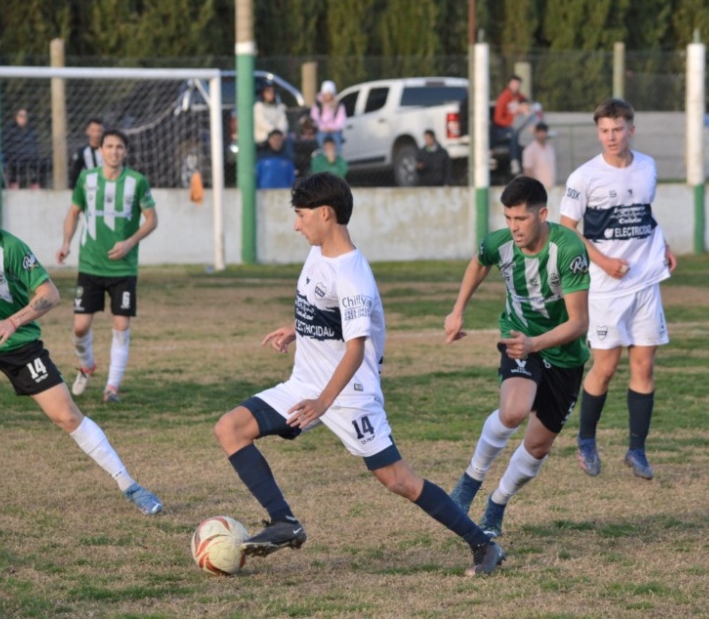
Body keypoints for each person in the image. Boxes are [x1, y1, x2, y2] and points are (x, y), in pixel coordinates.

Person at [213, 173, 505, 576]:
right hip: (307, 383)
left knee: (398, 480)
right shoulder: (319, 253)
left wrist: (323, 403)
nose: (296, 224)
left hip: (349, 394)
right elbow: (324, 311)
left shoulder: (352, 277)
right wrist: (297, 329)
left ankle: (483, 545)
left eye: (300, 215)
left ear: (325, 214)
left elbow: (356, 348)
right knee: (231, 428)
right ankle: (285, 523)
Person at [0, 180, 163, 522]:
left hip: (20, 346)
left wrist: (13, 322)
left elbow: (49, 294)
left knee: (67, 416)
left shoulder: (11, 249)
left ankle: (131, 486)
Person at [445, 176, 590, 538]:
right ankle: (470, 480)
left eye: (521, 219)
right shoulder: (501, 242)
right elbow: (479, 262)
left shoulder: (569, 249)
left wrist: (535, 344)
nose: (513, 227)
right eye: (508, 218)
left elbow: (579, 322)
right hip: (518, 336)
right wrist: (458, 310)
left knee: (538, 445)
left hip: (564, 353)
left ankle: (497, 503)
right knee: (513, 410)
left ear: (542, 214)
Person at [559, 98, 677, 481]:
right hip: (607, 288)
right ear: (599, 132)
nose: (611, 137)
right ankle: (587, 440)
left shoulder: (648, 167)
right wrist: (604, 261)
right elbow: (566, 230)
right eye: (604, 130)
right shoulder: (584, 177)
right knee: (606, 368)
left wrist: (665, 247)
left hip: (645, 283)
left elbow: (644, 215)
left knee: (644, 365)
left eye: (618, 129)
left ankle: (637, 450)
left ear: (631, 129)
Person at [56, 129, 158, 404]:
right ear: (100, 150)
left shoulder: (136, 182)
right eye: (109, 146)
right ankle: (87, 365)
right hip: (90, 264)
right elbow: (74, 212)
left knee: (121, 324)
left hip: (123, 269)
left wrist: (130, 242)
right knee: (80, 327)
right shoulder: (86, 180)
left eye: (119, 147)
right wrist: (66, 242)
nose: (114, 151)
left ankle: (112, 387)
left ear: (125, 151)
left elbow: (151, 219)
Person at [493, 75, 532, 175]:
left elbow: (529, 111)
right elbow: (498, 119)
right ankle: (514, 161)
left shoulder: (522, 98)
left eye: (518, 84)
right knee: (513, 134)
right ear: (509, 84)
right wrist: (510, 124)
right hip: (505, 129)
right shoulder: (503, 98)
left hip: (521, 129)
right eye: (514, 83)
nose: (516, 86)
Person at [2, 108, 42, 189]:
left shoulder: (31, 130)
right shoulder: (10, 130)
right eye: (20, 115)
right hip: (15, 156)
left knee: (37, 163)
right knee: (13, 163)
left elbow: (34, 146)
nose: (23, 118)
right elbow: (7, 146)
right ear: (16, 117)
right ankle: (13, 184)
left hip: (28, 156)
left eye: (25, 116)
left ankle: (34, 184)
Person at [310, 80, 346, 154]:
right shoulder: (317, 105)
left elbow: (341, 120)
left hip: (335, 130)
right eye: (327, 94)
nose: (328, 97)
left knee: (337, 142)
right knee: (321, 141)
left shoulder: (339, 106)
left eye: (330, 94)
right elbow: (315, 118)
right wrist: (323, 127)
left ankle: (337, 159)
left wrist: (334, 128)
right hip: (322, 130)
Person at [68, 118, 104, 189]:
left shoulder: (108, 151)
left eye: (99, 131)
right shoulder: (81, 153)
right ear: (87, 131)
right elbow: (75, 174)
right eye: (93, 131)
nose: (96, 134)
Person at [254, 84, 290, 152]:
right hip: (263, 137)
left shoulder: (280, 107)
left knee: (289, 140)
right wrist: (274, 133)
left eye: (273, 92)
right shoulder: (258, 107)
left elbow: (283, 122)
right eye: (268, 92)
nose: (271, 94)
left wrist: (279, 133)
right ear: (263, 94)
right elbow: (262, 122)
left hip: (280, 136)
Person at [521, 122, 557, 188]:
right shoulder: (530, 150)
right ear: (535, 133)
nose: (542, 134)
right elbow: (527, 170)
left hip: (551, 187)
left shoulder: (550, 149)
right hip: (538, 189)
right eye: (539, 132)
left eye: (544, 132)